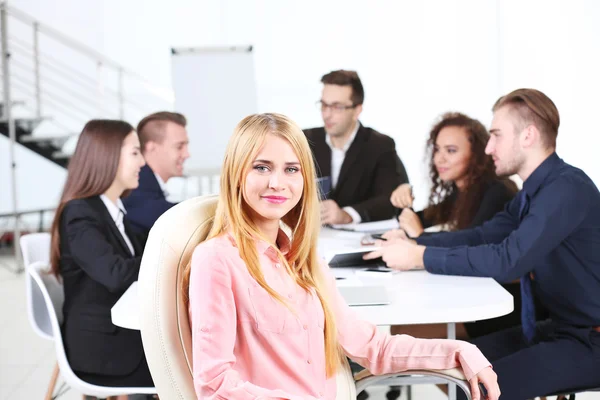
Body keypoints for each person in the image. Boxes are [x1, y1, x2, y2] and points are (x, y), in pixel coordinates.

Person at [184, 113, 499, 400]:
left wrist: (458, 351)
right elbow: (214, 385)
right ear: (237, 174)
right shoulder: (216, 260)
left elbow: (371, 346)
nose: (277, 182)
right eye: (261, 167)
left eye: (291, 169)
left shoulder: (303, 259)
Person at [365, 89, 600, 399]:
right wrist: (414, 241)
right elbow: (483, 235)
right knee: (457, 367)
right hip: (559, 329)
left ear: (527, 136)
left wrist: (419, 256)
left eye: (496, 136)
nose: (488, 148)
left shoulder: (566, 188)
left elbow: (508, 259)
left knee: (478, 386)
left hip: (590, 339)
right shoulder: (534, 193)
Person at [390, 112, 520, 340]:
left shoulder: (497, 191)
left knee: (404, 331)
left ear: (477, 154)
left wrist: (418, 236)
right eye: (437, 150)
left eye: (450, 151)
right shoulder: (461, 192)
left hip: (504, 303)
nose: (439, 159)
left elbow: (476, 249)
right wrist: (403, 201)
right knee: (401, 326)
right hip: (478, 294)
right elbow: (418, 218)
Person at [49, 120, 154, 395]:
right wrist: (165, 258)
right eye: (134, 152)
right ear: (106, 157)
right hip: (105, 352)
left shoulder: (113, 210)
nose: (143, 162)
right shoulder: (80, 213)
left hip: (120, 338)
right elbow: (116, 274)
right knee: (191, 364)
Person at [304, 70, 408, 225]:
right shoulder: (306, 140)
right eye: (324, 105)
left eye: (337, 107)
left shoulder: (379, 145)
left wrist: (346, 215)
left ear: (357, 110)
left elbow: (387, 201)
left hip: (356, 241)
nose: (327, 114)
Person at [123, 111, 190, 238]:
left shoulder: (149, 187)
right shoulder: (136, 190)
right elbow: (171, 218)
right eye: (179, 146)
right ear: (152, 148)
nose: (187, 154)